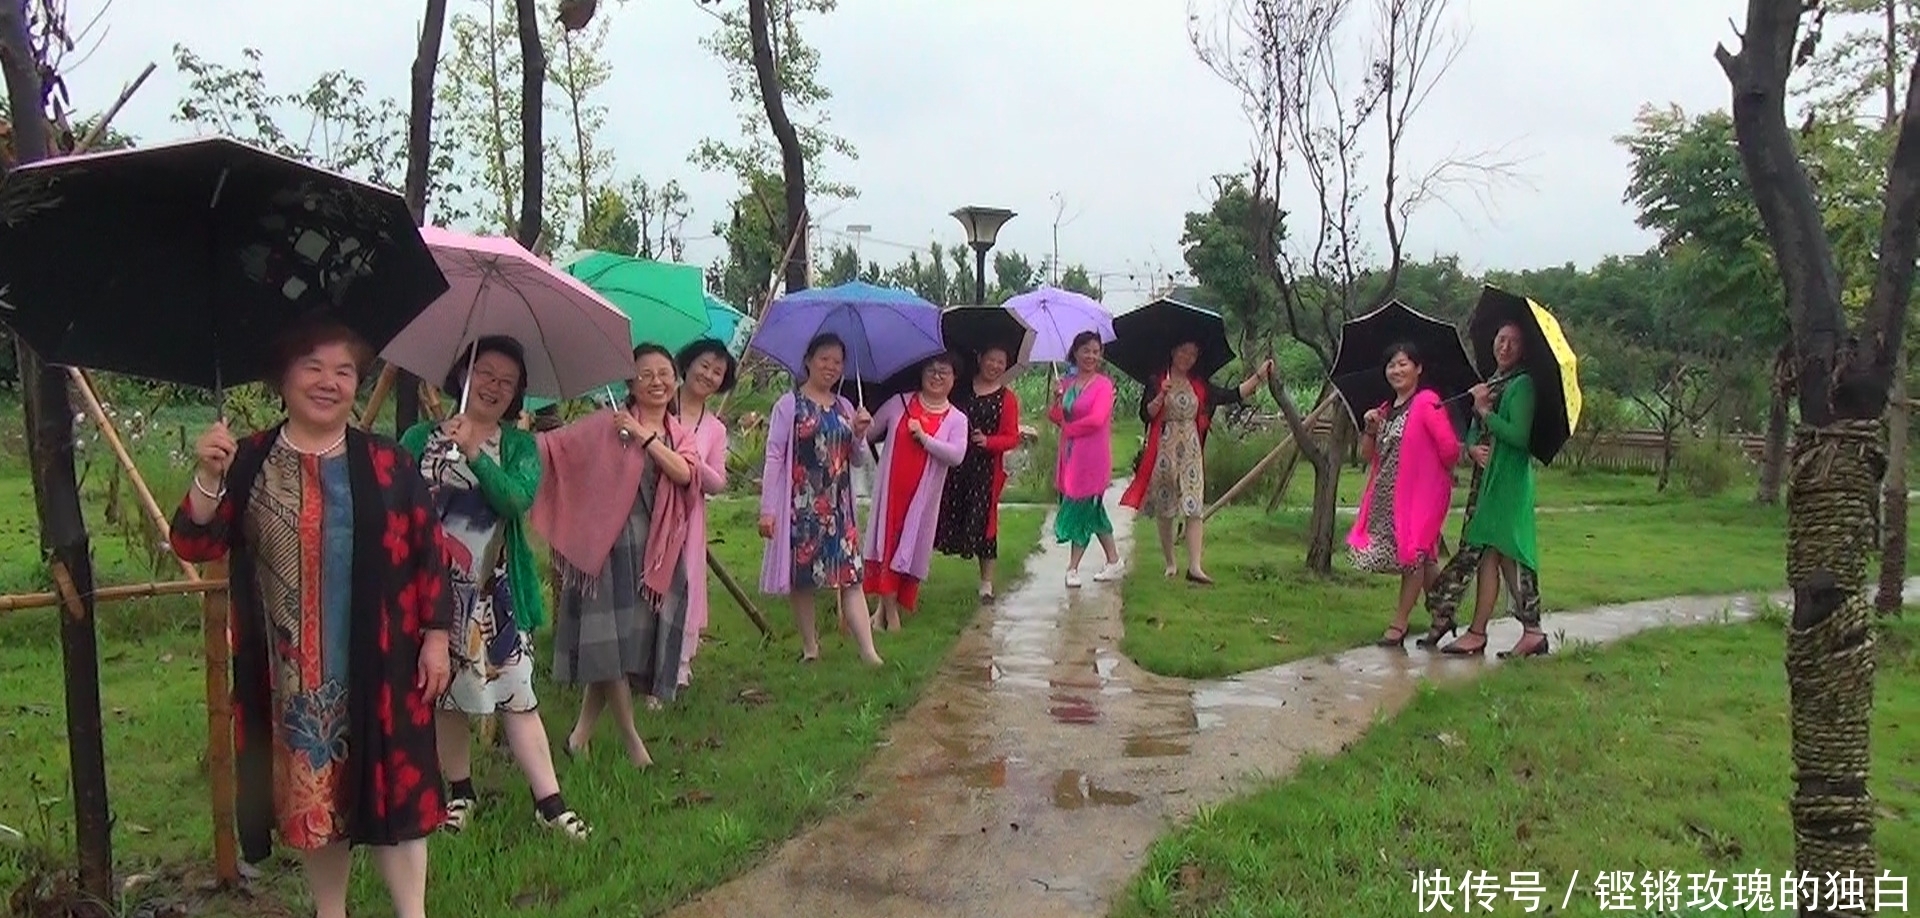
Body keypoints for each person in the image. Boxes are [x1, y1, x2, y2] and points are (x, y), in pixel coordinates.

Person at [169, 320, 450, 918]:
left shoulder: (387, 464)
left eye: (344, 370)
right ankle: (331, 912)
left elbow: (431, 552)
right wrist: (207, 478)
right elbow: (197, 544)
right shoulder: (246, 461)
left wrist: (437, 637)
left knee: (396, 793)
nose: (329, 382)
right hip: (294, 680)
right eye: (312, 366)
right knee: (318, 805)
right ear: (282, 376)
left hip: (385, 664)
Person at [399, 336, 588, 840]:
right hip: (432, 595)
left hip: (497, 594)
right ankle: (460, 793)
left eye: (507, 382)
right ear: (463, 373)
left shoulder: (519, 446)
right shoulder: (418, 438)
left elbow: (515, 500)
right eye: (485, 373)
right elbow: (397, 510)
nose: (494, 387)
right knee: (446, 697)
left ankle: (549, 803)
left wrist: (475, 455)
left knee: (517, 694)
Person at [531, 344, 701, 768]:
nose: (657, 381)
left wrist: (643, 436)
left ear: (676, 380)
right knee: (611, 648)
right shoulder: (607, 424)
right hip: (606, 550)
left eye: (665, 373)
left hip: (654, 554)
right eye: (646, 375)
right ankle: (633, 744)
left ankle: (578, 738)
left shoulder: (678, 435)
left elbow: (685, 474)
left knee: (620, 648)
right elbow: (554, 450)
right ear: (630, 383)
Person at [1421, 321, 1548, 658]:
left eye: (1513, 342)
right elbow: (1476, 430)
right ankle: (1478, 632)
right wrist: (1473, 446)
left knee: (1510, 552)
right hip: (1487, 477)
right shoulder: (1493, 382)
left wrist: (1486, 412)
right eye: (1500, 339)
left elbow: (1520, 437)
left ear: (1524, 349)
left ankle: (1531, 630)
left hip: (1508, 480)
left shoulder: (1522, 385)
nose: (1504, 347)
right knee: (1488, 555)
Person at [758, 333, 885, 665]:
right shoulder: (789, 405)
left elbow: (856, 459)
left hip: (840, 508)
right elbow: (774, 457)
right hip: (801, 508)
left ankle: (869, 653)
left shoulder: (845, 406)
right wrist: (768, 510)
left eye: (838, 361)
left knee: (851, 577)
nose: (831, 366)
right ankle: (810, 647)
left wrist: (859, 432)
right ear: (808, 361)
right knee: (804, 582)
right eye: (824, 358)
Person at [1119, 343, 1273, 583]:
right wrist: (1161, 394)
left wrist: (1259, 377)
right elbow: (1146, 414)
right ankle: (1170, 562)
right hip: (1164, 449)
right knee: (1166, 507)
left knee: (1194, 505)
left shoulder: (1199, 384)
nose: (1187, 358)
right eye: (1183, 351)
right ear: (1172, 351)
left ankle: (1195, 567)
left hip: (1191, 449)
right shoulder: (1157, 380)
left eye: (1193, 354)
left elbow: (1230, 395)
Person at [1346, 342, 1461, 648]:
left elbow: (1449, 449)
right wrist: (1370, 428)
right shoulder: (1385, 409)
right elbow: (1368, 454)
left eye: (1403, 364)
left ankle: (1398, 625)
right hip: (1389, 497)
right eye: (1391, 365)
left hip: (1421, 496)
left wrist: (1429, 469)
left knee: (1413, 556)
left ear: (1418, 368)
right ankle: (1442, 614)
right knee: (1422, 558)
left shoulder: (1426, 402)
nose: (1396, 370)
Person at [863, 352, 970, 631]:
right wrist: (860, 424)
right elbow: (870, 433)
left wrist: (925, 439)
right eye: (931, 370)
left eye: (944, 372)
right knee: (887, 545)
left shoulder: (957, 419)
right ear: (921, 373)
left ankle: (882, 613)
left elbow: (957, 455)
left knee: (907, 549)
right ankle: (890, 616)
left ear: (954, 379)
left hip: (922, 500)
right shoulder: (899, 403)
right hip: (892, 493)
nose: (936, 376)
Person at [670, 338, 737, 688]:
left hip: (688, 517)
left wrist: (694, 464)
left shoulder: (715, 429)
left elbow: (718, 483)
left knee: (685, 582)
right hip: (647, 510)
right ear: (688, 362)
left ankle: (678, 665)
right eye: (705, 365)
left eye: (718, 372)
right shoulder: (658, 402)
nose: (709, 375)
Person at [934, 344, 1024, 601]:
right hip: (954, 463)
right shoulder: (959, 387)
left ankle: (986, 583)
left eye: (1001, 362)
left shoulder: (1007, 398)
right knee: (942, 514)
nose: (995, 366)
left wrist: (989, 442)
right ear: (980, 357)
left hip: (984, 470)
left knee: (985, 525)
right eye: (991, 360)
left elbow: (1012, 437)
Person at [1049, 330, 1125, 588]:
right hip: (1070, 457)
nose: (1091, 355)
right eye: (1086, 350)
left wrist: (1069, 429)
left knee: (1083, 507)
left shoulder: (1103, 385)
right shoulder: (1068, 383)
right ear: (1076, 352)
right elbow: (1056, 417)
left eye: (1095, 350)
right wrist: (1057, 400)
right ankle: (1114, 560)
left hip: (1092, 457)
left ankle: (1072, 567)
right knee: (1093, 510)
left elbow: (1096, 419)